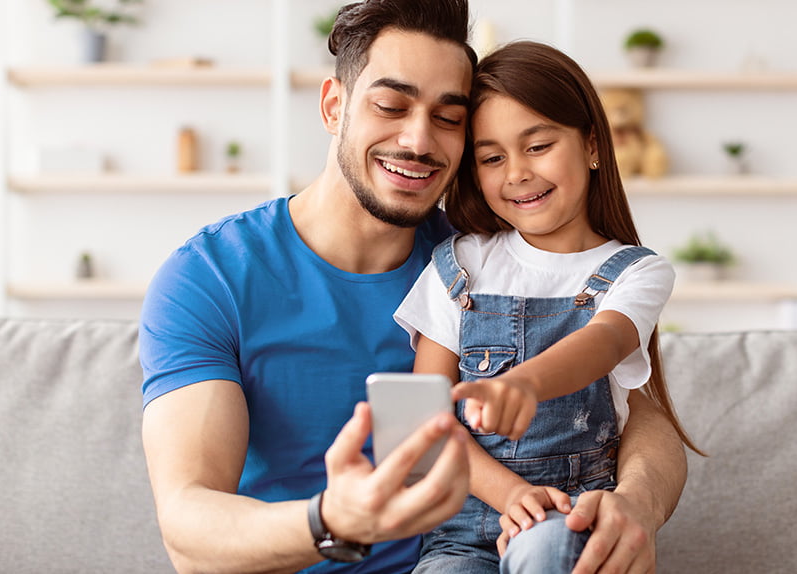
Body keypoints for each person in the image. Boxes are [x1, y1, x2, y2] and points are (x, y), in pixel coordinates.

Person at [140, 0, 687, 571]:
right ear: (334, 106)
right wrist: (332, 521)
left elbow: (637, 411)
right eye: (391, 105)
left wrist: (636, 506)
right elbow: (188, 529)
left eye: (448, 118)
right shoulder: (212, 278)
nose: (420, 140)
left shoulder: (482, 261)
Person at [394, 41, 704, 574]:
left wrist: (524, 385)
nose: (515, 173)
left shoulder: (637, 271)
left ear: (591, 146)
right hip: (462, 537)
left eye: (537, 146)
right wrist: (512, 494)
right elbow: (418, 421)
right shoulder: (459, 265)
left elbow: (605, 340)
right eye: (492, 158)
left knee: (549, 548)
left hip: (571, 521)